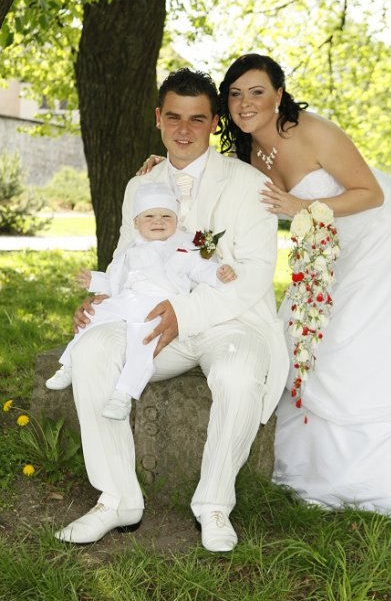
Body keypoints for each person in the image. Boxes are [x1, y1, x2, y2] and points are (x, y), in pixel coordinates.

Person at [53, 67, 288, 550]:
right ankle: (118, 498)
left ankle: (215, 504)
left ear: (214, 123)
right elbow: (125, 257)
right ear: (158, 118)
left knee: (240, 373)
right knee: (93, 349)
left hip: (229, 320)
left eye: (197, 119)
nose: (184, 130)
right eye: (174, 117)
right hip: (150, 321)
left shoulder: (249, 184)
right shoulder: (138, 184)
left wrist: (187, 312)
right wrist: (103, 300)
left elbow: (254, 273)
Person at [216, 53, 391, 523]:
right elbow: (214, 181)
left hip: (379, 237)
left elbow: (369, 193)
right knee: (299, 337)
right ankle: (311, 467)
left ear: (278, 96)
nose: (245, 102)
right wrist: (164, 166)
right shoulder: (249, 153)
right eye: (235, 94)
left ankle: (387, 478)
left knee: (353, 340)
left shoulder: (312, 132)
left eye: (256, 92)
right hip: (325, 247)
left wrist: (301, 205)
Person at [45, 182, 237, 421]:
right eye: (149, 216)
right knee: (94, 313)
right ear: (136, 222)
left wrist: (218, 274)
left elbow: (201, 269)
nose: (158, 221)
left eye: (166, 216)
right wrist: (94, 280)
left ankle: (123, 395)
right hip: (128, 299)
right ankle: (69, 366)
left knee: (143, 343)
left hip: (158, 305)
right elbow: (116, 280)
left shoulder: (186, 247)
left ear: (176, 220)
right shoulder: (131, 248)